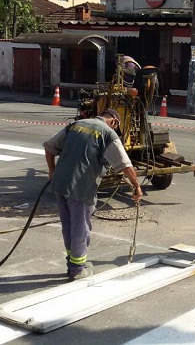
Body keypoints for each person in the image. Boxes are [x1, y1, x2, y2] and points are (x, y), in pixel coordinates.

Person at [43, 109, 143, 281]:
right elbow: (125, 165)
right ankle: (77, 269)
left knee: (68, 225)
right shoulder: (108, 133)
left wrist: (52, 170)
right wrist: (137, 187)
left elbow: (49, 147)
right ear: (114, 121)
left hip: (60, 183)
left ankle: (72, 262)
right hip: (81, 187)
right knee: (80, 228)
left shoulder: (75, 125)